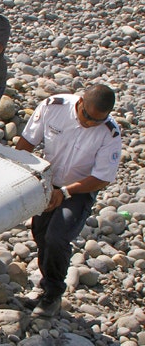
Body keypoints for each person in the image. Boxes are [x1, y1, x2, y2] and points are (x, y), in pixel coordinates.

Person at [16, 85, 122, 317]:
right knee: (41, 234)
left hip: (80, 189)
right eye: (87, 116)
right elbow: (27, 142)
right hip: (48, 180)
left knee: (58, 236)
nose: (90, 123)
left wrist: (64, 193)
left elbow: (102, 177)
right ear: (81, 102)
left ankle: (53, 293)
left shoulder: (110, 133)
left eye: (98, 120)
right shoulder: (54, 107)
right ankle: (44, 285)